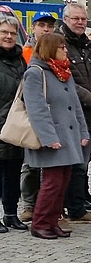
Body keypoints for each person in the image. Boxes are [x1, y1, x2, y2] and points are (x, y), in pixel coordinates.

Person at [23, 33, 90, 239]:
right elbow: (36, 109)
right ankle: (40, 223)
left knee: (62, 182)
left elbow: (76, 107)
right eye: (62, 47)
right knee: (51, 183)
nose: (66, 50)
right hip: (53, 138)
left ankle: (52, 222)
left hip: (68, 137)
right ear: (51, 49)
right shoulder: (35, 73)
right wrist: (48, 137)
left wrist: (83, 132)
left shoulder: (63, 72)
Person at [57, 4, 91, 226]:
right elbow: (65, 79)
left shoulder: (90, 46)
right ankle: (61, 209)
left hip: (90, 117)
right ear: (65, 19)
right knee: (65, 165)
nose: (80, 22)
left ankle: (77, 208)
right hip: (68, 116)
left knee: (83, 163)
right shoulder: (59, 44)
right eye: (75, 19)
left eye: (83, 19)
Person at [19, 11, 57, 223]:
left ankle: (51, 205)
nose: (45, 29)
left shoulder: (57, 50)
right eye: (41, 25)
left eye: (49, 26)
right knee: (30, 162)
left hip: (55, 111)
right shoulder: (25, 52)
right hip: (31, 111)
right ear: (33, 27)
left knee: (52, 163)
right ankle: (29, 204)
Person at [0, 14, 28, 234]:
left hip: (15, 124)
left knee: (12, 173)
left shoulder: (20, 58)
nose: (9, 36)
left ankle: (11, 214)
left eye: (12, 33)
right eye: (4, 32)